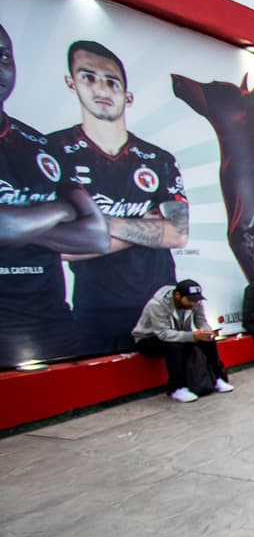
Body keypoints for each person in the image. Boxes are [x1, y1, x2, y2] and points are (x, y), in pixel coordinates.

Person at [50, 41, 189, 355]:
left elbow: (177, 233)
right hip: (95, 308)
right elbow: (53, 244)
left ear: (127, 95)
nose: (101, 89)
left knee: (181, 371)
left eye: (111, 82)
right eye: (88, 77)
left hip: (160, 302)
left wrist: (93, 226)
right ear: (72, 83)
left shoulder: (158, 159)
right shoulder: (53, 152)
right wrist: (147, 229)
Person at [0, 22, 109, 368]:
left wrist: (21, 229)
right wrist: (61, 209)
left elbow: (96, 235)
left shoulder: (40, 146)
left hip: (53, 324)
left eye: (3, 56)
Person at [132, 279, 233, 402]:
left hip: (177, 336)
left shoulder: (196, 303)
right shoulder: (157, 305)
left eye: (196, 300)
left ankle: (217, 378)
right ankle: (177, 388)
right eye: (190, 300)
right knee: (173, 347)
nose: (194, 303)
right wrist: (192, 336)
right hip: (148, 339)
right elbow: (163, 334)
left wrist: (207, 332)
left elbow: (201, 321)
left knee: (208, 342)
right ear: (177, 296)